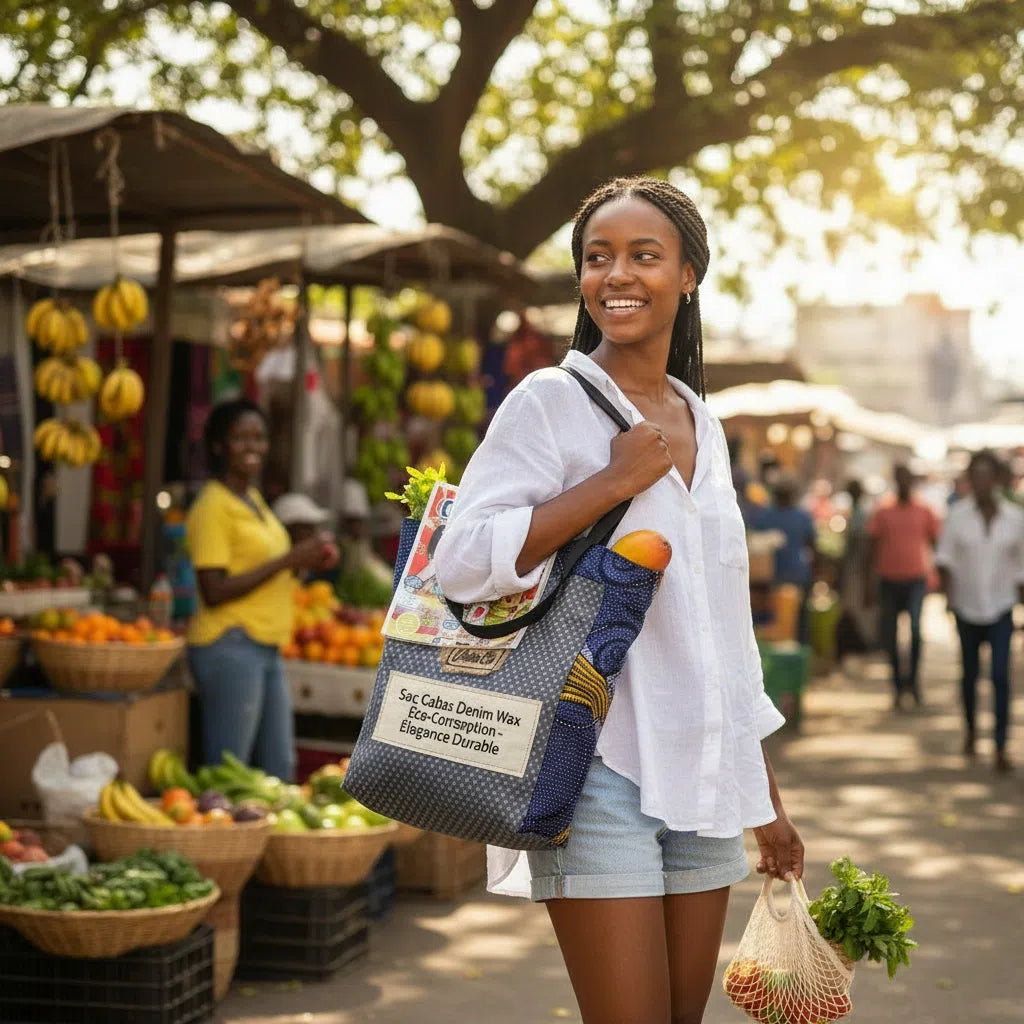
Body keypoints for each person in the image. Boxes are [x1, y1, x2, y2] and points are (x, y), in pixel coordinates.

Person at [434, 177, 803, 1024]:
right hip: (596, 765)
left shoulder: (701, 422)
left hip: (705, 778)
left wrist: (768, 802)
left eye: (644, 255)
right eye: (597, 258)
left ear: (688, 276)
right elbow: (461, 560)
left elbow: (720, 633)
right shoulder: (549, 402)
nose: (617, 275)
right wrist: (609, 483)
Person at [185, 399, 337, 780]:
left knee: (278, 770)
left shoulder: (253, 501)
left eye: (259, 437)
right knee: (230, 770)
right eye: (241, 438)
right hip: (230, 645)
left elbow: (265, 571)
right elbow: (213, 590)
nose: (252, 446)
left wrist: (305, 561)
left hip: (265, 646)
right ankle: (221, 841)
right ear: (219, 445)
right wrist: (288, 559)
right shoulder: (212, 507)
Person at [935, 451, 1024, 773]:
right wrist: (948, 598)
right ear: (970, 480)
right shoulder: (957, 515)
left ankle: (1001, 745)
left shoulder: (1015, 517)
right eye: (977, 476)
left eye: (989, 475)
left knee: (1000, 675)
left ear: (997, 479)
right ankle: (972, 730)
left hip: (1001, 607)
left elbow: (1021, 565)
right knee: (970, 674)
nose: (983, 482)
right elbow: (944, 559)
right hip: (967, 606)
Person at [867, 464, 941, 709]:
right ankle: (898, 686)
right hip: (889, 580)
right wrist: (869, 582)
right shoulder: (883, 509)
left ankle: (914, 682)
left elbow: (935, 540)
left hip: (916, 579)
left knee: (916, 633)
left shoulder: (924, 509)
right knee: (891, 636)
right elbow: (873, 545)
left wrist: (935, 572)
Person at [752, 475, 816, 643]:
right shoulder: (802, 516)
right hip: (794, 575)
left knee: (775, 623)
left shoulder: (764, 515)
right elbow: (812, 544)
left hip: (774, 577)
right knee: (796, 622)